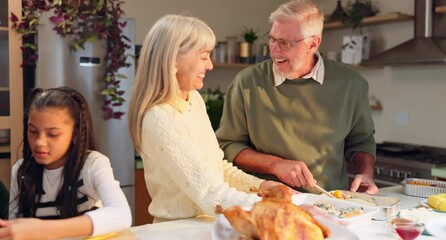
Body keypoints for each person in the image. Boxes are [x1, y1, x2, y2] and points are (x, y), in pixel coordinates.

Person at [128, 14, 287, 223]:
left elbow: (217, 168)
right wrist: (272, 209)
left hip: (207, 226)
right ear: (173, 60)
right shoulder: (159, 117)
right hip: (179, 232)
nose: (210, 65)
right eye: (204, 57)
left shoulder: (193, 99)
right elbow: (208, 192)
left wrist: (260, 186)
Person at [216, 0, 379, 194]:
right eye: (272, 39)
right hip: (266, 201)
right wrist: (275, 165)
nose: (274, 50)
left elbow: (361, 141)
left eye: (284, 43)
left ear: (313, 43)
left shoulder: (351, 83)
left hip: (330, 204)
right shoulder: (247, 82)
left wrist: (366, 173)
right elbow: (227, 146)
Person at [0, 87, 131, 239]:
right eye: (33, 131)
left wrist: (45, 230)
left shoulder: (93, 164)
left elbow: (121, 214)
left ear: (74, 133)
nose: (39, 142)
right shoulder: (21, 171)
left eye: (52, 134)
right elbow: (15, 227)